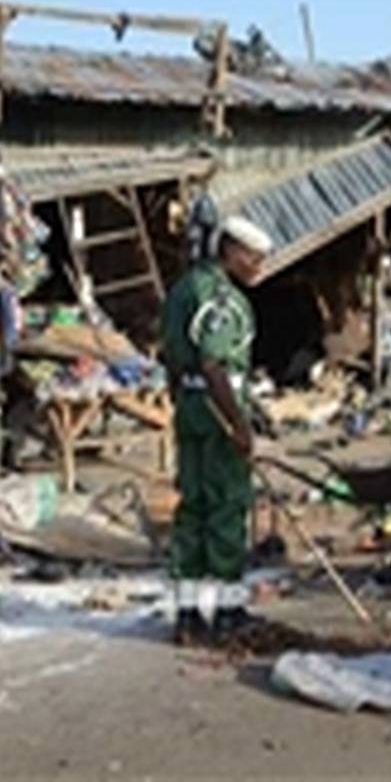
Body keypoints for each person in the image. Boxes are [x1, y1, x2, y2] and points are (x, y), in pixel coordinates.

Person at [160, 212, 273, 646]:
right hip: (217, 409)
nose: (259, 267)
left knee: (192, 508)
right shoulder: (223, 299)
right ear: (231, 251)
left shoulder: (183, 288)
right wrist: (239, 425)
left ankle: (187, 614)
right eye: (254, 257)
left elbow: (173, 356)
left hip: (190, 407)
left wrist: (182, 400)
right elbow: (213, 363)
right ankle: (228, 612)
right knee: (227, 507)